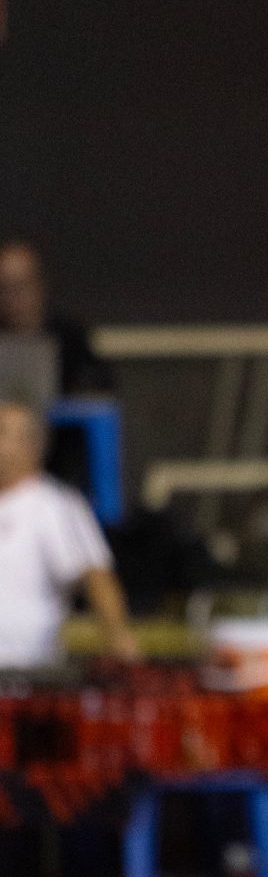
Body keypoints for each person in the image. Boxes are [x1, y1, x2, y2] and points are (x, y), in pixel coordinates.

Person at [0, 400, 138, 666]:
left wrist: (119, 640)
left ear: (32, 446)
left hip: (27, 671)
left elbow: (94, 576)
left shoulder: (54, 505)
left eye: (2, 432)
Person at [0, 239, 114, 396]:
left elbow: (98, 384)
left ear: (40, 286)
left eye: (20, 287)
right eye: (4, 289)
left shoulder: (69, 335)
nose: (11, 299)